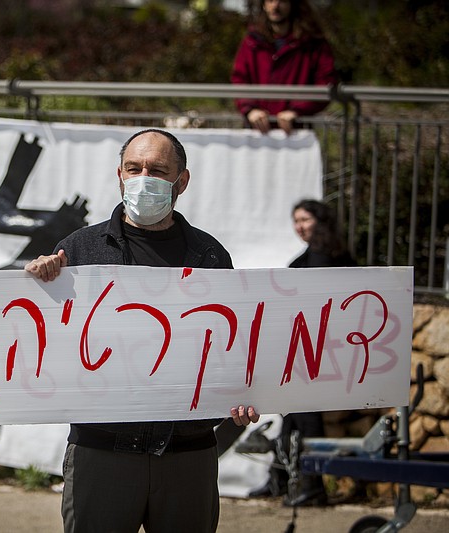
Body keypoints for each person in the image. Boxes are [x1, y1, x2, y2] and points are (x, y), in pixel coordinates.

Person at [25, 129, 260, 533]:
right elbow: (44, 335)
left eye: (157, 170)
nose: (143, 178)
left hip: (187, 456)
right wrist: (37, 279)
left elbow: (227, 347)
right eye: (134, 169)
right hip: (103, 454)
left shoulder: (210, 254)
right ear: (119, 175)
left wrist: (242, 395)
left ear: (181, 181)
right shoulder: (78, 250)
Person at [248, 198, 355, 506]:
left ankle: (311, 484)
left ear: (321, 220)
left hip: (321, 353)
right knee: (291, 416)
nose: (300, 226)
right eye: (296, 221)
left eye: (305, 219)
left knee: (305, 418)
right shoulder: (317, 254)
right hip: (306, 350)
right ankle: (284, 480)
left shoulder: (325, 256)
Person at [230, 0, 337, 134]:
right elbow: (240, 79)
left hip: (295, 132)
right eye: (270, 0)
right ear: (263, 4)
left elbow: (326, 82)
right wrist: (250, 110)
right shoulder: (252, 42)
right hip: (257, 130)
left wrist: (297, 110)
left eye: (283, 1)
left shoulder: (312, 43)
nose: (275, 6)